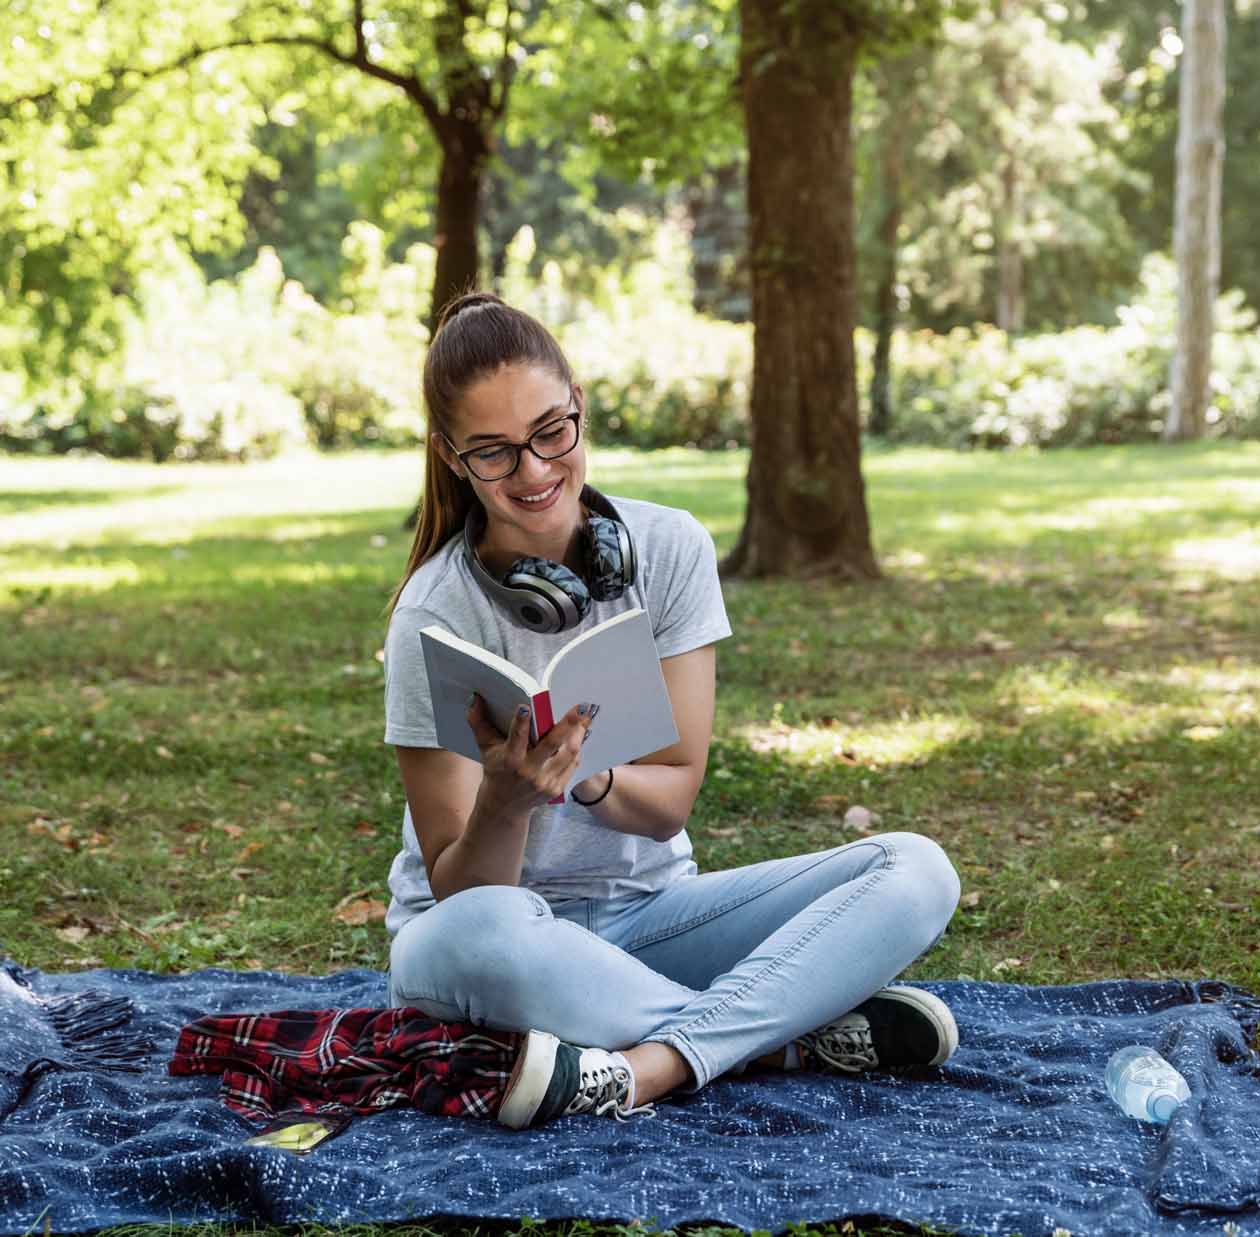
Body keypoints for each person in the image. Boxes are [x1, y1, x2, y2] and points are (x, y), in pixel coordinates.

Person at [380, 291, 962, 1129]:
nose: (537, 472)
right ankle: (777, 1035)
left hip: (646, 918)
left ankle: (646, 1064)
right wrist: (508, 799)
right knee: (481, 934)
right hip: (500, 944)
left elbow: (671, 803)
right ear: (452, 457)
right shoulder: (430, 614)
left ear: (579, 404)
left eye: (552, 432)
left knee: (914, 869)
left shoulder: (670, 549)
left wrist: (583, 777)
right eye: (496, 453)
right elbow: (461, 892)